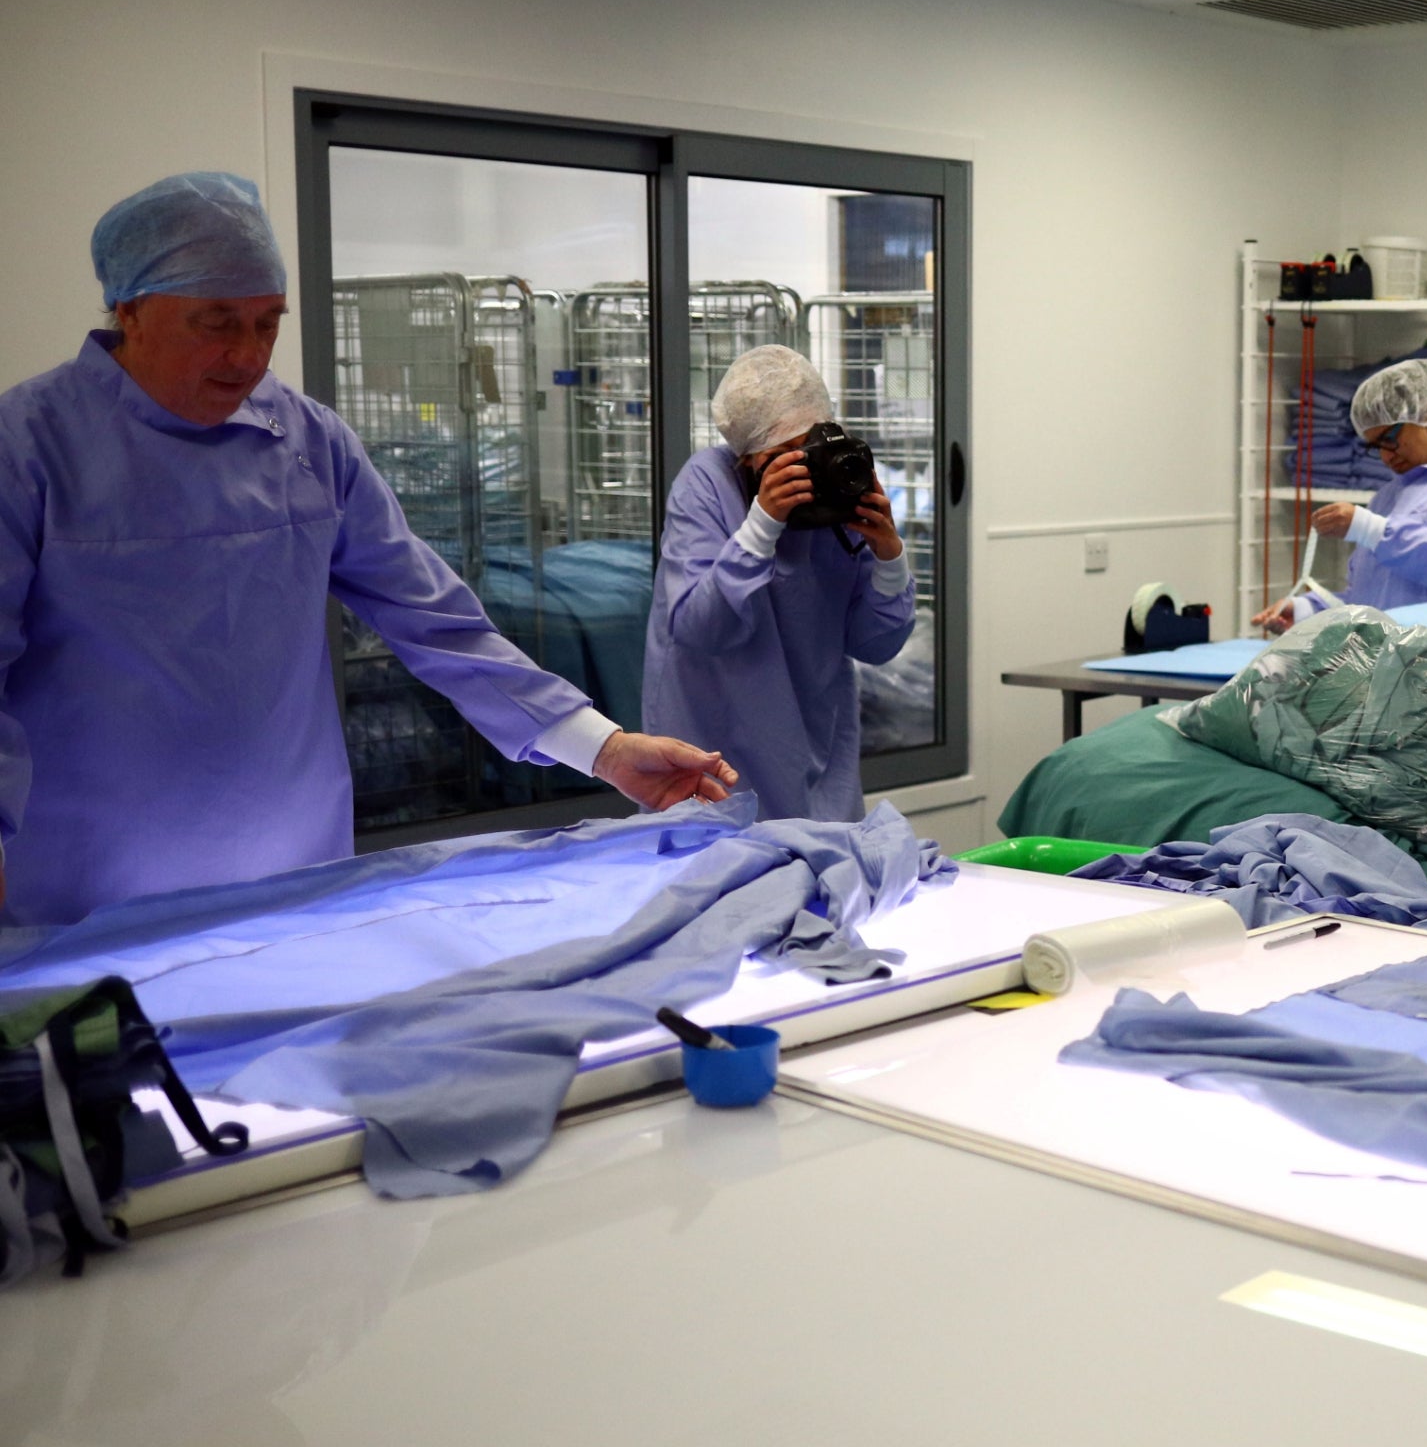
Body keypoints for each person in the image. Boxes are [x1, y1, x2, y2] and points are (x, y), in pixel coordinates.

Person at [0, 172, 738, 928]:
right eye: (217, 323)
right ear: (131, 310)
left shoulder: (307, 443)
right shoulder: (28, 448)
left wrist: (604, 749)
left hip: (293, 878)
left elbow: (435, 619)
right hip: (82, 894)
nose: (248, 356)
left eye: (267, 323)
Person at [642, 345, 916, 823]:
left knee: (825, 879)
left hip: (815, 746)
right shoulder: (709, 483)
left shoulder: (834, 494)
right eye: (781, 458)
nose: (803, 471)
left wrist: (889, 555)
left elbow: (876, 645)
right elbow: (698, 629)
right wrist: (762, 525)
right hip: (713, 750)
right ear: (745, 460)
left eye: (809, 448)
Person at [1250, 357, 1427, 643]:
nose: (1385, 456)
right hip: (1410, 672)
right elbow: (1372, 600)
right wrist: (1308, 609)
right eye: (1375, 446)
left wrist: (1370, 528)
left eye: (1389, 437)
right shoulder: (1390, 495)